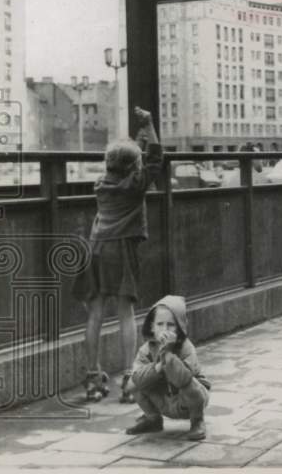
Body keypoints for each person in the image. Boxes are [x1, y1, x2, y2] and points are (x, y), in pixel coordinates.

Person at [72, 106, 161, 403]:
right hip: (121, 250)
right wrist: (149, 127)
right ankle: (129, 379)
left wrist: (136, 143)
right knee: (125, 313)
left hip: (95, 248)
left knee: (94, 314)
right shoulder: (135, 187)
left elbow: (128, 162)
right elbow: (156, 161)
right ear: (134, 167)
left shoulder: (102, 185)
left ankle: (92, 379)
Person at [123, 295, 211, 441]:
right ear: (152, 326)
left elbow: (183, 379)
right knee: (133, 384)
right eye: (160, 324)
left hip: (188, 402)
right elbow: (134, 381)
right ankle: (153, 419)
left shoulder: (186, 348)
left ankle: (197, 421)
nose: (164, 329)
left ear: (180, 327)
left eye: (170, 325)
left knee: (190, 383)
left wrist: (167, 354)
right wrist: (158, 367)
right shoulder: (145, 350)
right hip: (164, 400)